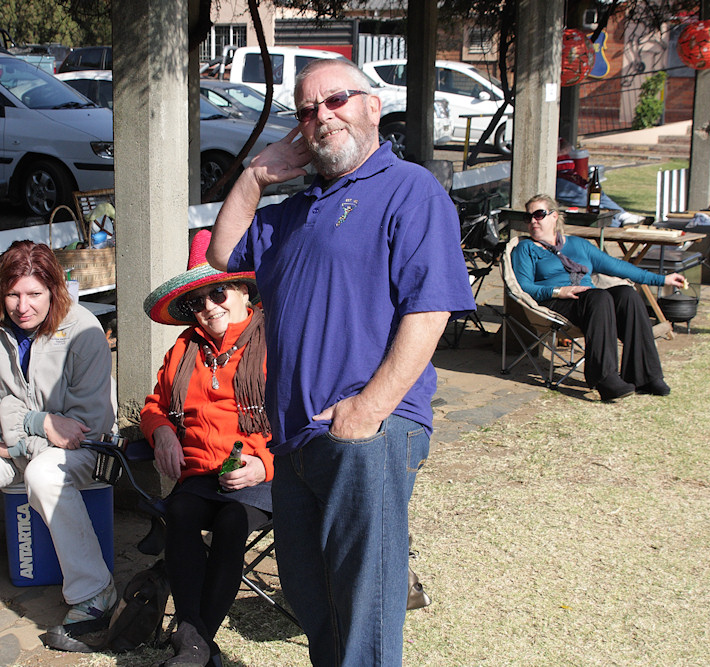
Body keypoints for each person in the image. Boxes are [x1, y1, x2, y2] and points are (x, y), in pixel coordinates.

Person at [206, 58, 476, 665]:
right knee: (316, 604)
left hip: (367, 433)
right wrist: (255, 177)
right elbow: (222, 254)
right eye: (306, 110)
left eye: (336, 101)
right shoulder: (293, 212)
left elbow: (430, 308)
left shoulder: (409, 188)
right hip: (296, 440)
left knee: (364, 609)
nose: (321, 117)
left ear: (372, 107)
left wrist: (369, 410)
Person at [0, 240, 116, 635]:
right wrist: (39, 423)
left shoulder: (84, 329)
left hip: (68, 448)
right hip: (11, 443)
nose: (22, 306)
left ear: (54, 290)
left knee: (44, 474)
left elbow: (86, 423)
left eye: (34, 294)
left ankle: (94, 590)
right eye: (12, 294)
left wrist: (10, 442)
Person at [140, 230, 274, 667]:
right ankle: (199, 647)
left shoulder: (276, 340)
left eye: (219, 293)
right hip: (199, 474)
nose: (209, 307)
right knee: (180, 513)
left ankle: (192, 640)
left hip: (260, 475)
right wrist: (162, 432)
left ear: (244, 291)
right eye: (197, 301)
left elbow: (303, 417)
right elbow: (154, 406)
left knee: (232, 522)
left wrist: (265, 465)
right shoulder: (185, 347)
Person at [512, 194, 686, 401]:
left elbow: (618, 267)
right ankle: (605, 379)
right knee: (599, 297)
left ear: (554, 216)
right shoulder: (525, 249)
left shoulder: (578, 245)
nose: (533, 221)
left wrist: (662, 280)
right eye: (528, 217)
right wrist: (559, 291)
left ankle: (646, 376)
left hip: (590, 302)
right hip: (555, 303)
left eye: (539, 215)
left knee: (627, 294)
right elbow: (524, 287)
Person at [556, 138, 643, 226]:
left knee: (597, 192)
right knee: (590, 200)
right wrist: (557, 153)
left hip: (570, 174)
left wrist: (559, 151)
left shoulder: (558, 138)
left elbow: (567, 145)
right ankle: (617, 224)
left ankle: (622, 215)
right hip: (558, 178)